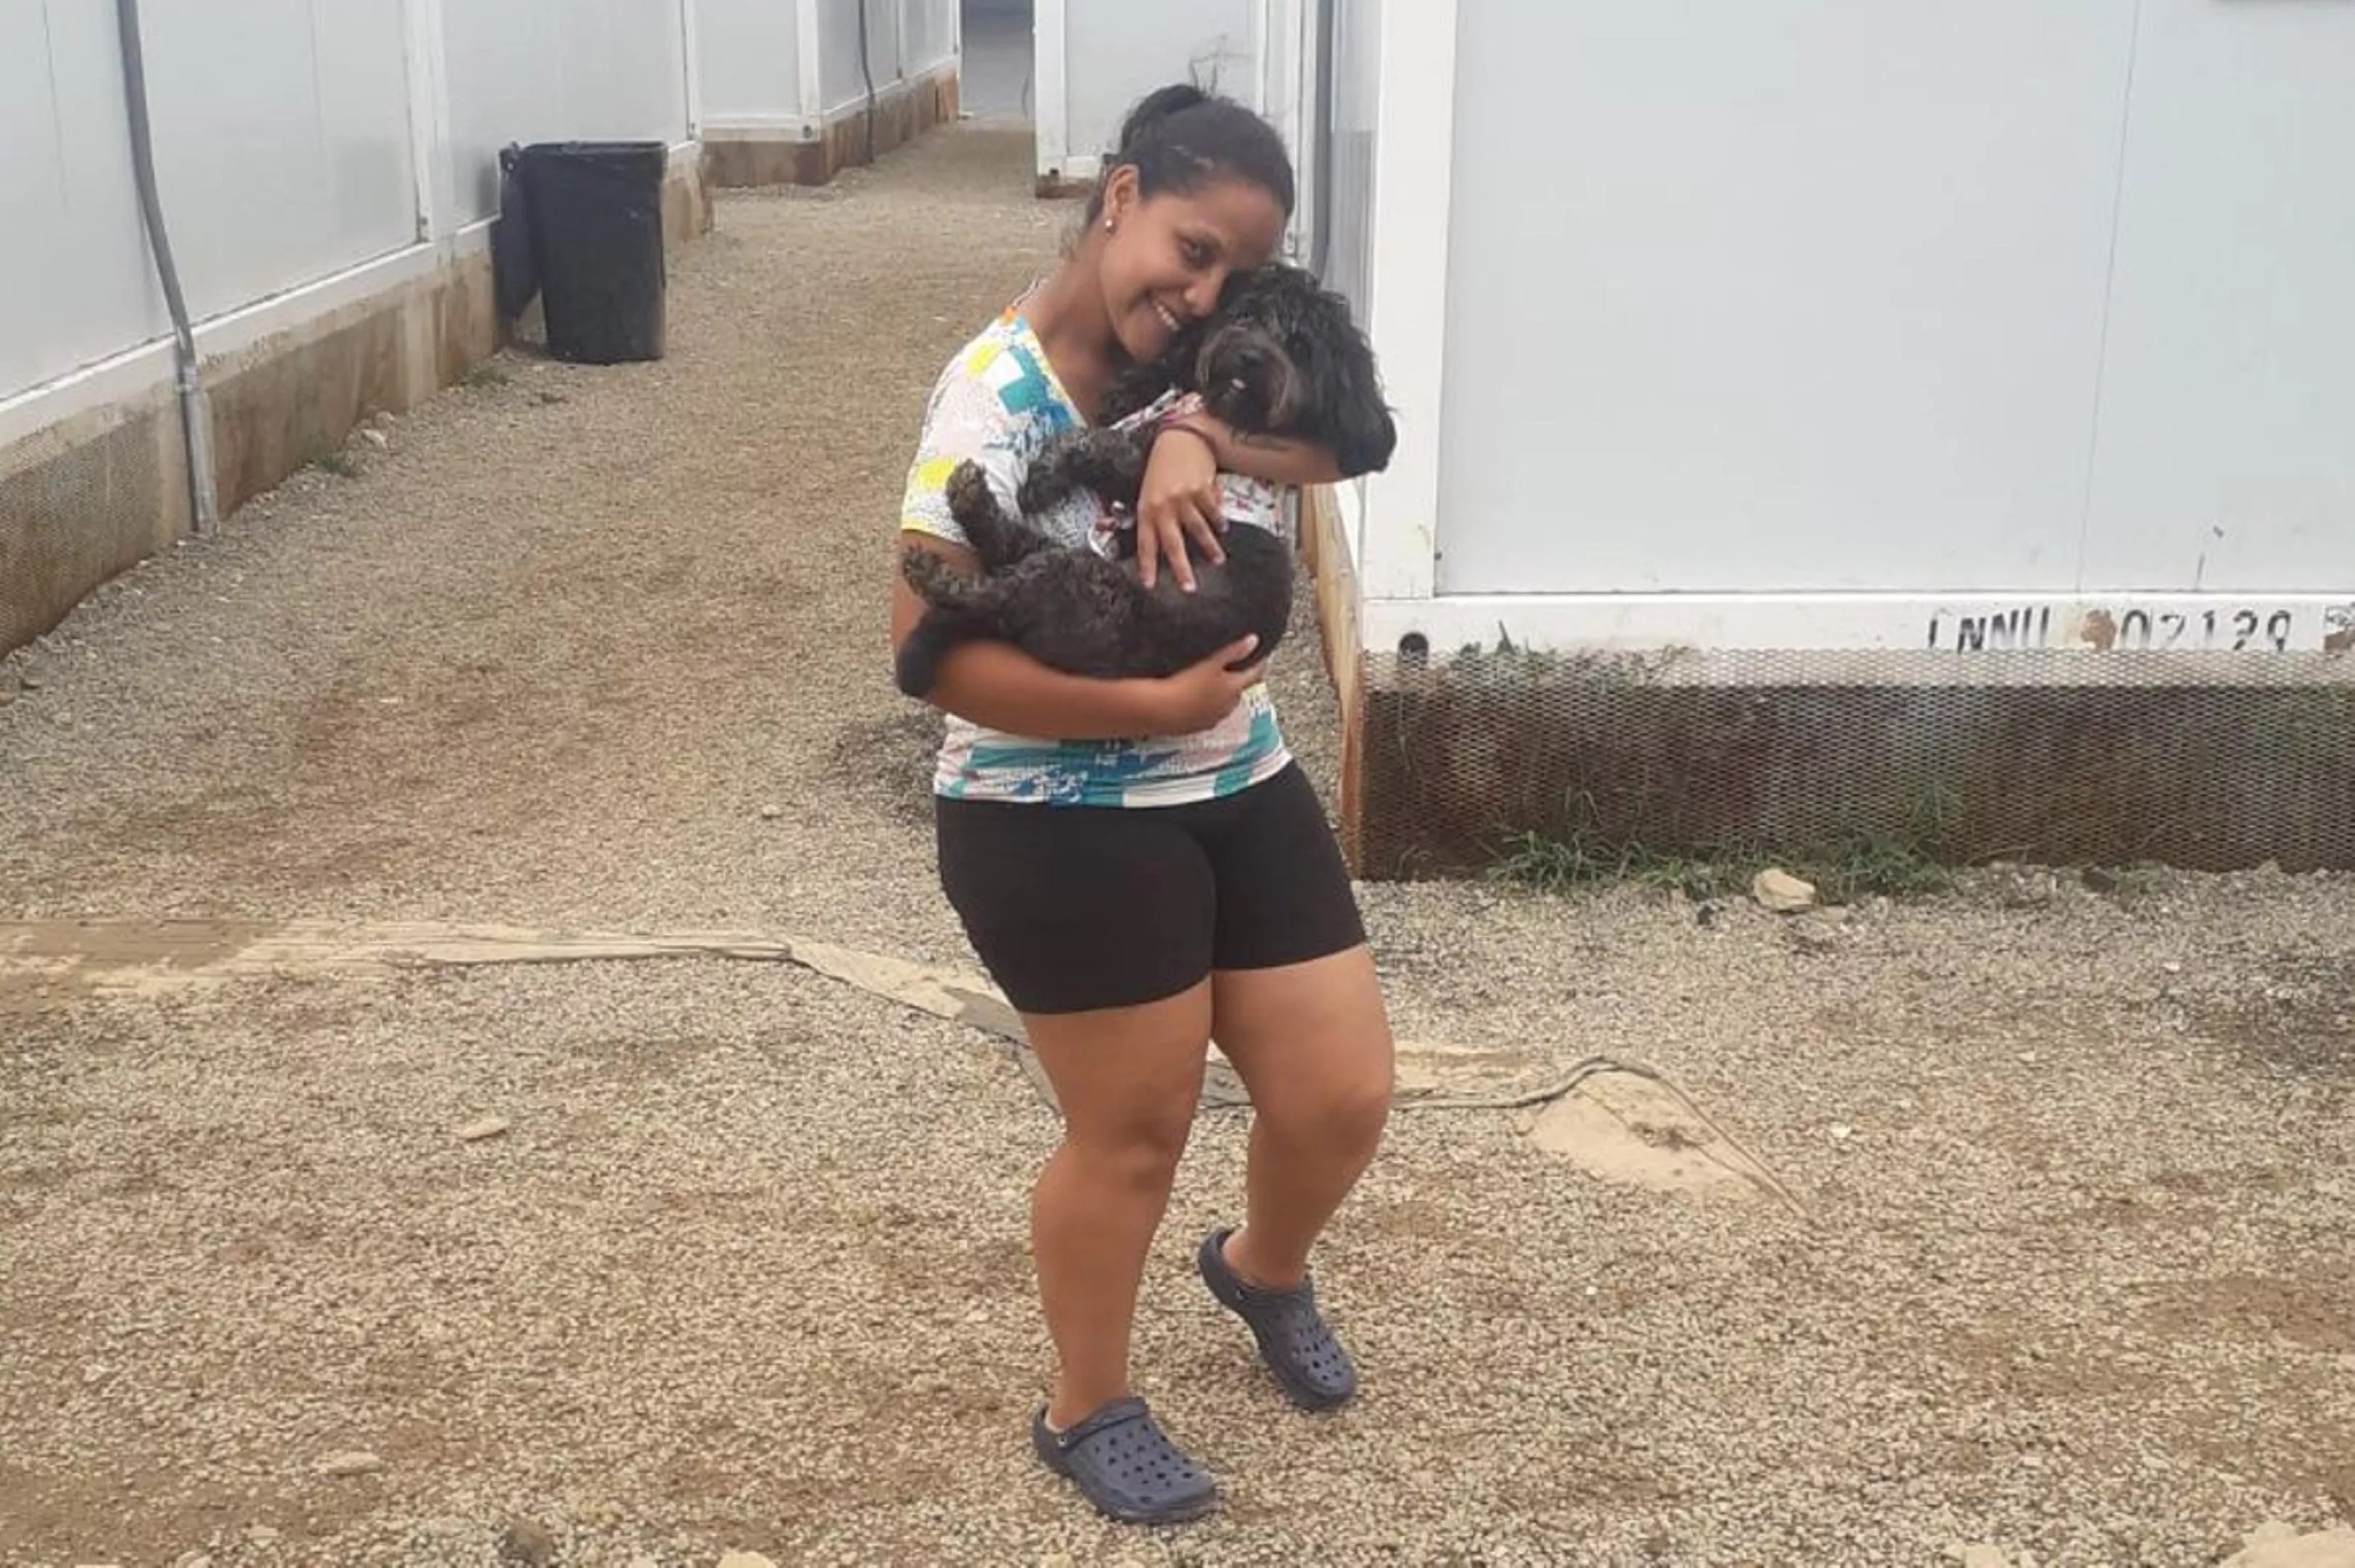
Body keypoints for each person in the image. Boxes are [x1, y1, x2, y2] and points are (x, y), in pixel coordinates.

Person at [890, 86, 1395, 1525]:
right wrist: (1152, 711)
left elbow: (1354, 441)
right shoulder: (992, 398)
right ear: (1117, 197)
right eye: (1189, 249)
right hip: (1052, 812)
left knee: (1341, 1095)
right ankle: (1085, 1405)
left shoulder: (1206, 361)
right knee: (1133, 1132)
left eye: (1237, 271)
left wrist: (1196, 438)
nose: (1204, 295)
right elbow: (927, 655)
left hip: (1236, 779)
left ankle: (1259, 1268)